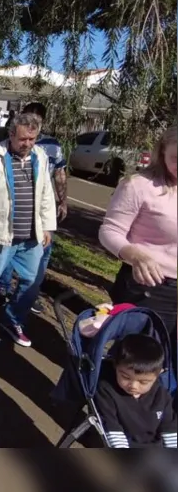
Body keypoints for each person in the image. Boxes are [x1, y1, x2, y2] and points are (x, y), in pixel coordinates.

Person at [0, 113, 57, 348]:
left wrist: (48, 226)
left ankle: (13, 320)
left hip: (31, 237)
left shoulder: (40, 156)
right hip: (1, 235)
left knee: (31, 282)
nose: (28, 144)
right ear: (11, 135)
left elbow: (46, 194)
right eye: (23, 139)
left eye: (32, 139)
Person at [99, 125, 177, 355]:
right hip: (149, 287)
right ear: (162, 152)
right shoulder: (138, 185)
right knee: (139, 362)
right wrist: (136, 256)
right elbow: (109, 231)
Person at [0, 102, 68, 315]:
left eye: (36, 121)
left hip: (39, 213)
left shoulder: (51, 147)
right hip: (15, 213)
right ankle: (3, 288)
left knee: (39, 259)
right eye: (28, 117)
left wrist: (62, 200)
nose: (28, 141)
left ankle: (25, 299)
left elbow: (59, 174)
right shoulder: (6, 145)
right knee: (7, 256)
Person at [95, 334, 177, 448]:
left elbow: (169, 429)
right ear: (116, 366)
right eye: (126, 377)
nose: (133, 386)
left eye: (143, 382)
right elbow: (112, 427)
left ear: (158, 375)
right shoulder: (106, 390)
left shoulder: (161, 395)